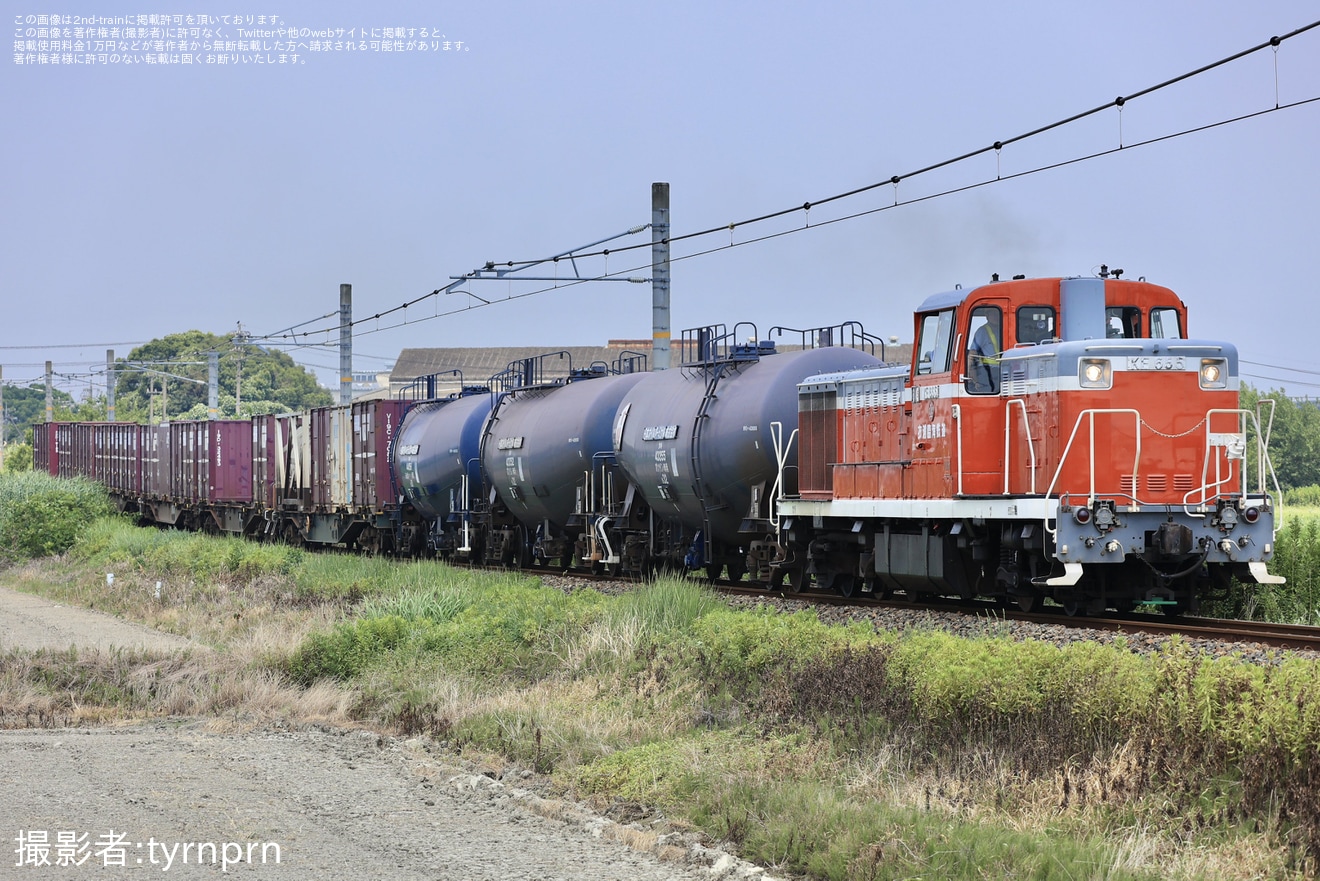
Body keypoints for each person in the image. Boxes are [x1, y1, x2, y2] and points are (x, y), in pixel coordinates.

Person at [967, 316, 1001, 394]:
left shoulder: (1003, 329)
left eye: (995, 313)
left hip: (1003, 369)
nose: (995, 316)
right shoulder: (982, 331)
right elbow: (972, 353)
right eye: (992, 313)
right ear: (987, 315)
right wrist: (968, 372)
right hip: (986, 370)